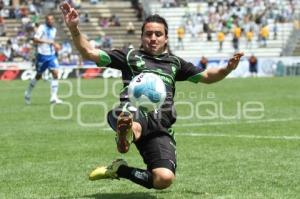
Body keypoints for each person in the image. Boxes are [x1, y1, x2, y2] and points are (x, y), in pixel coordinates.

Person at [60, 2, 243, 190]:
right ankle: (127, 133)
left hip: (159, 125)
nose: (153, 38)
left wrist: (227, 68)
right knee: (133, 119)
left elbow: (207, 77)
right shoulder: (129, 56)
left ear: (166, 38)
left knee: (164, 179)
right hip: (130, 110)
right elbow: (89, 52)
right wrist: (74, 28)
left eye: (158, 34)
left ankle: (121, 169)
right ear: (141, 37)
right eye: (148, 34)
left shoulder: (175, 63)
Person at [24, 14, 63, 104]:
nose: (50, 21)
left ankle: (53, 97)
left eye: (52, 19)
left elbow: (52, 41)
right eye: (48, 19)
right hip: (42, 55)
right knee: (38, 76)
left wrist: (55, 45)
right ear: (46, 20)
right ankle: (28, 93)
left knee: (55, 74)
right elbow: (34, 39)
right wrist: (49, 42)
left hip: (51, 55)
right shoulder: (42, 28)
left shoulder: (54, 30)